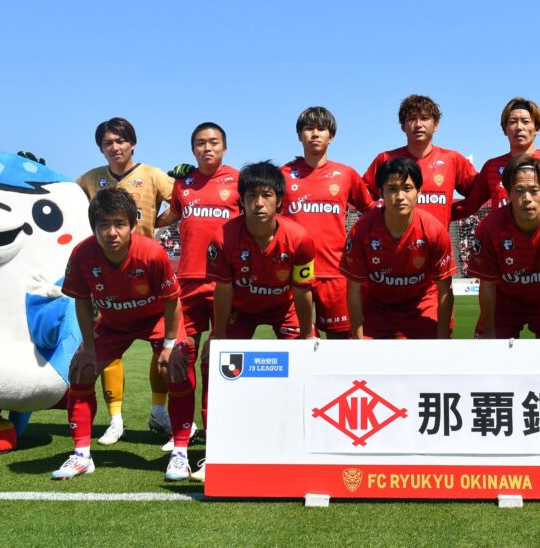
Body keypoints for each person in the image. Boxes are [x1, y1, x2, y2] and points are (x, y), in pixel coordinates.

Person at [53, 188, 196, 481]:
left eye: (119, 223)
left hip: (156, 319)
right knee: (80, 370)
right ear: (94, 227)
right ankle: (81, 455)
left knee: (177, 367)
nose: (111, 232)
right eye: (103, 224)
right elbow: (82, 301)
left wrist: (170, 345)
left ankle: (180, 453)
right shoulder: (82, 254)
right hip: (114, 323)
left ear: (132, 225)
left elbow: (172, 301)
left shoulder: (151, 252)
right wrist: (88, 348)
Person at [194, 161, 317, 482]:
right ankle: (216, 449)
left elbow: (302, 290)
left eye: (266, 195)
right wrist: (219, 336)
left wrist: (308, 335)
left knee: (306, 367)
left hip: (284, 308)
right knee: (213, 365)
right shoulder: (223, 237)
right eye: (251, 196)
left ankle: (303, 445)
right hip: (242, 310)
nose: (258, 203)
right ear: (242, 200)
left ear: (279, 200)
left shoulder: (300, 238)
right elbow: (223, 290)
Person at [75, 117, 176, 446]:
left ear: (133, 143)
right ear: (100, 148)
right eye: (108, 143)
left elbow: (180, 202)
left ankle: (159, 411)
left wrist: (155, 222)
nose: (115, 147)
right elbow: (64, 199)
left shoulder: (153, 175)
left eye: (121, 141)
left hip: (146, 268)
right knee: (110, 348)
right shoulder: (90, 179)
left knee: (164, 350)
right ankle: (115, 420)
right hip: (107, 271)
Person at [154, 122, 240, 440]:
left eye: (214, 142)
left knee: (216, 358)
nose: (207, 148)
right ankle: (183, 428)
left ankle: (214, 427)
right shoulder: (183, 183)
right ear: (193, 150)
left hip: (224, 282)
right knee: (183, 355)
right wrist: (144, 212)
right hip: (188, 282)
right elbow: (169, 217)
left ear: (224, 147)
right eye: (201, 143)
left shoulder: (239, 181)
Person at [281, 107, 375, 339]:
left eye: (321, 129)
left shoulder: (346, 174)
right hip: (292, 272)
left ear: (331, 136)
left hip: (335, 271)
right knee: (298, 344)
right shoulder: (282, 175)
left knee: (341, 344)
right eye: (308, 128)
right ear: (299, 135)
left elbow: (371, 212)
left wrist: (361, 248)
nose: (315, 134)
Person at [466, 154, 540, 339]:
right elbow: (487, 285)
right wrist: (489, 331)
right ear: (508, 192)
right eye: (519, 190)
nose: (527, 198)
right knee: (488, 352)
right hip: (503, 304)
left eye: (534, 190)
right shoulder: (489, 227)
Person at [341, 158, 456, 339]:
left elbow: (445, 290)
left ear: (419, 191)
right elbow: (353, 289)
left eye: (407, 188)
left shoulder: (434, 230)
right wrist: (357, 338)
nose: (400, 196)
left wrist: (441, 340)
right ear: (381, 192)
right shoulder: (361, 230)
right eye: (392, 189)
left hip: (421, 305)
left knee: (434, 353)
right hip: (376, 308)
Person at [363, 94, 476, 230]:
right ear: (402, 126)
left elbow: (478, 194)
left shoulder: (452, 159)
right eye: (411, 119)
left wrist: (451, 213)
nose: (418, 124)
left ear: (436, 125)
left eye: (424, 118)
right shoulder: (386, 159)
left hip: (436, 241)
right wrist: (380, 217)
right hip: (395, 241)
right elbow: (363, 198)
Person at [452, 97, 540, 218]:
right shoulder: (492, 167)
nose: (519, 127)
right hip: (501, 231)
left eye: (525, 121)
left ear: (537, 128)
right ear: (505, 130)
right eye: (513, 122)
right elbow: (469, 205)